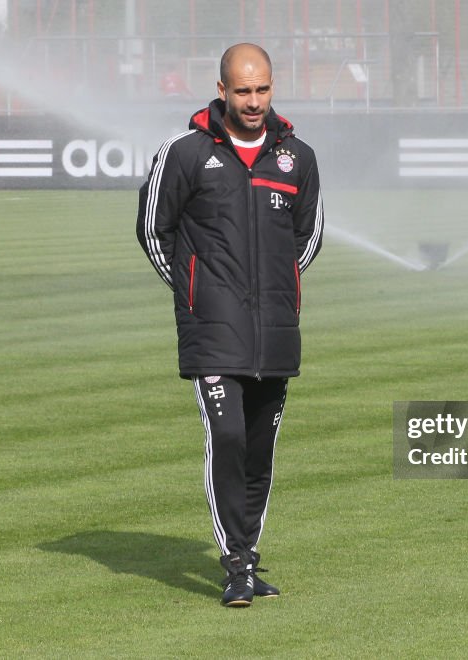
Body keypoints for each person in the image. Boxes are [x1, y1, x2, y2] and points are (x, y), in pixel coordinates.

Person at [136, 43, 323, 607]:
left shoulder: (298, 157)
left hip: (275, 332)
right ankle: (235, 564)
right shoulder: (185, 152)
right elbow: (153, 230)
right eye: (242, 90)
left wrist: (275, 289)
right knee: (231, 437)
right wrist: (198, 293)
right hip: (212, 328)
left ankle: (249, 553)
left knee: (261, 451)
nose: (253, 101)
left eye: (262, 89)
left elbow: (307, 238)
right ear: (221, 91)